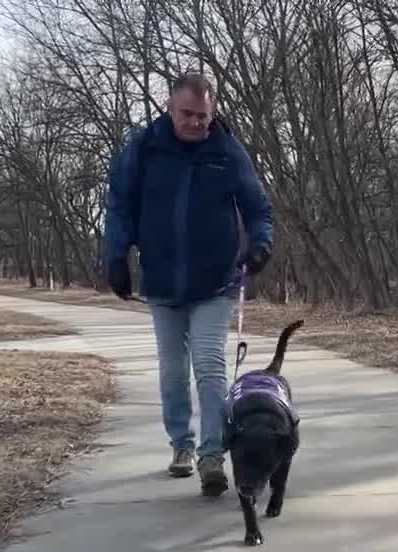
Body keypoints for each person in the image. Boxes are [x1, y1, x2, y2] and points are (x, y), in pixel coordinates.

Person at [102, 73, 273, 497]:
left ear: (213, 113)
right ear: (169, 106)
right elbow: (120, 204)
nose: (197, 123)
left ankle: (212, 455)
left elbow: (257, 207)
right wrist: (116, 256)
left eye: (204, 116)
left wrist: (261, 244)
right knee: (173, 370)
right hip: (161, 280)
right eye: (188, 114)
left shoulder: (227, 151)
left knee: (211, 366)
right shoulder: (144, 149)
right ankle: (182, 444)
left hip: (215, 279)